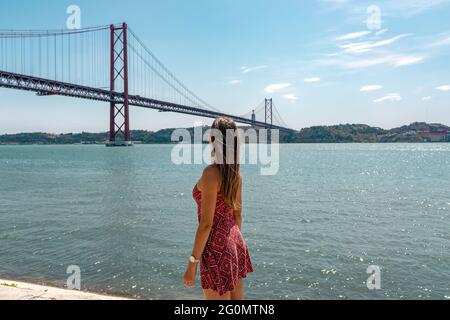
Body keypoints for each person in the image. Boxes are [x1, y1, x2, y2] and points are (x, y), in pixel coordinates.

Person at [183, 116, 253, 300]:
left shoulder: (211, 173)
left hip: (215, 246)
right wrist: (232, 245)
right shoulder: (235, 175)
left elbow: (206, 224)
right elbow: (238, 216)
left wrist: (192, 264)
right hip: (235, 241)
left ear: (214, 138)